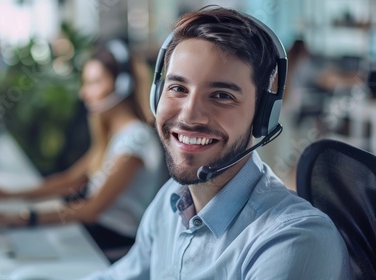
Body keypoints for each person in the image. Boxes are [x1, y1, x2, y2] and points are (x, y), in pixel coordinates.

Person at [81, 6, 353, 279]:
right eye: (177, 88)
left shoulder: (293, 240)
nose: (189, 115)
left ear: (262, 116)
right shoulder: (171, 201)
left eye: (222, 95)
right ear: (156, 97)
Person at [0, 40, 167, 260]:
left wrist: (24, 218)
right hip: (96, 233)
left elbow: (92, 209)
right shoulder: (115, 135)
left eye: (94, 82)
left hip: (115, 243)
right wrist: (9, 196)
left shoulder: (135, 141)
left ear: (122, 85)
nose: (84, 93)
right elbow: (71, 180)